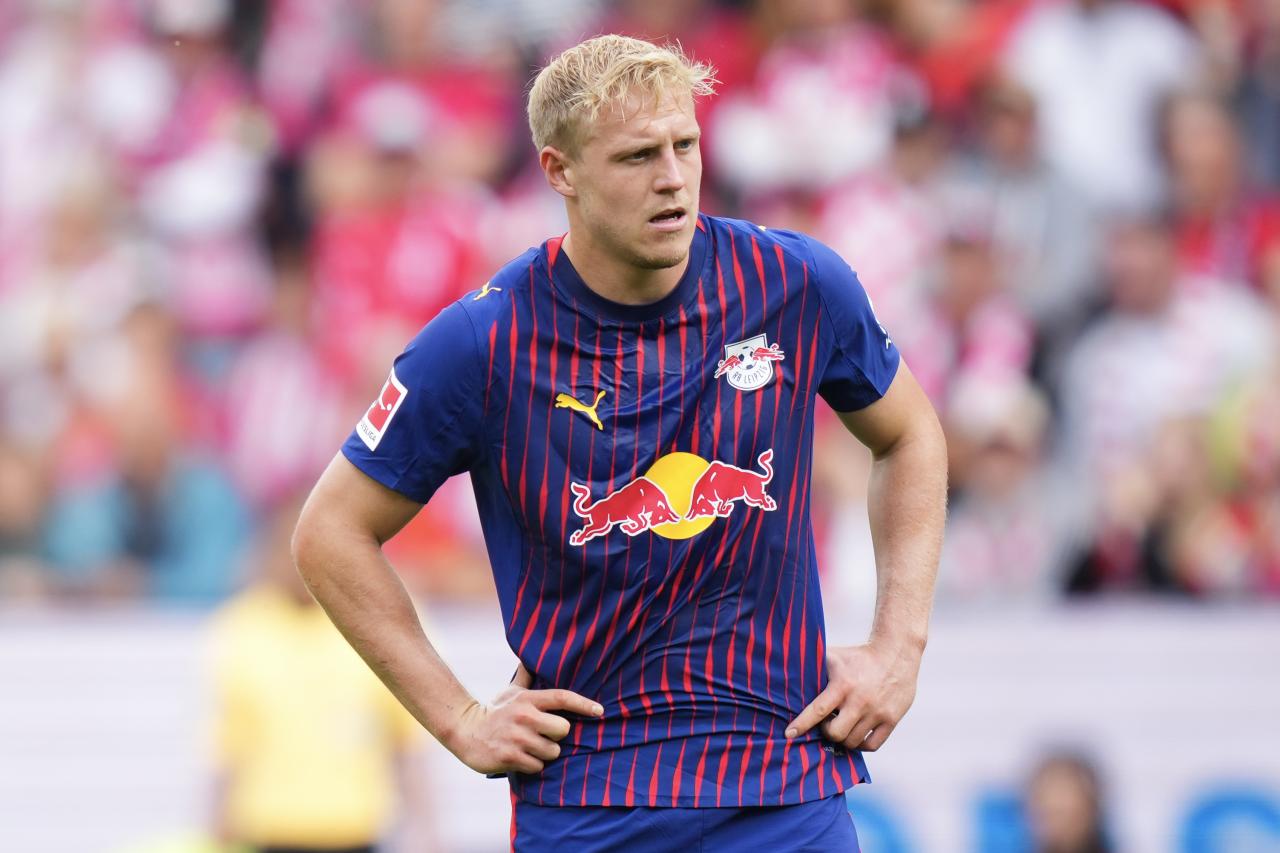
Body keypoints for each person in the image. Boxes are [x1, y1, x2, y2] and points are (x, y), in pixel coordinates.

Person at [293, 34, 947, 851]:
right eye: (638, 156)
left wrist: (898, 645)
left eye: (685, 146)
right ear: (560, 171)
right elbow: (329, 532)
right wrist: (459, 717)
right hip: (592, 806)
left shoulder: (796, 283)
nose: (672, 178)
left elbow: (910, 433)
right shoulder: (482, 342)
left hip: (784, 786)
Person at [210, 498, 429, 853]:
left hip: (357, 832)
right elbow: (228, 745)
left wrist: (425, 832)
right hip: (267, 833)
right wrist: (217, 825)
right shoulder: (241, 627)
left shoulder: (374, 618)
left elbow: (405, 742)